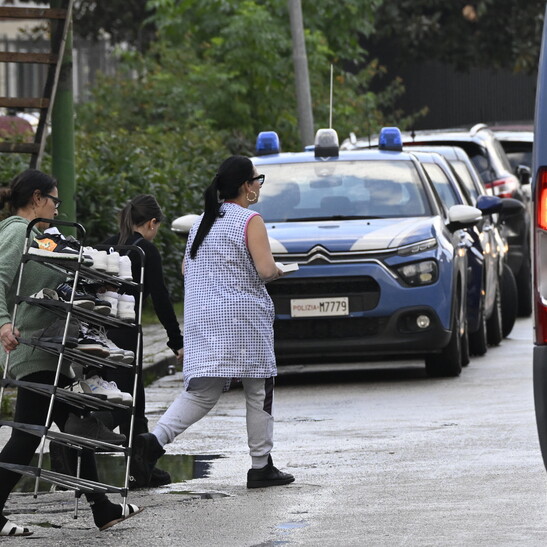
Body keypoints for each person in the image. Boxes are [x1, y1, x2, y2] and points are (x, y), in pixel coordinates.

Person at [132, 155, 295, 489]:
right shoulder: (250, 220)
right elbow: (265, 271)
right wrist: (279, 271)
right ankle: (261, 465)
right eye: (257, 179)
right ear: (246, 186)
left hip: (203, 319)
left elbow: (185, 270)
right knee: (258, 389)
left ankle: (153, 442)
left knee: (201, 393)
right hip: (242, 320)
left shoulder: (202, 222)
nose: (259, 185)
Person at [0, 169, 142, 536]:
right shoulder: (18, 231)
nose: (56, 207)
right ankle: (102, 508)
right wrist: (3, 323)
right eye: (54, 200)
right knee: (29, 435)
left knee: (74, 427)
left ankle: (103, 508)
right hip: (35, 347)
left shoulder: (42, 236)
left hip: (54, 348)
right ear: (37, 199)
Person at [101, 194, 184, 488]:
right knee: (126, 401)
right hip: (125, 331)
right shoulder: (145, 251)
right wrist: (176, 340)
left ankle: (140, 467)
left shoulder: (108, 244)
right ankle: (77, 445)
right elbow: (161, 299)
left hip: (97, 330)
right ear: (151, 223)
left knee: (125, 397)